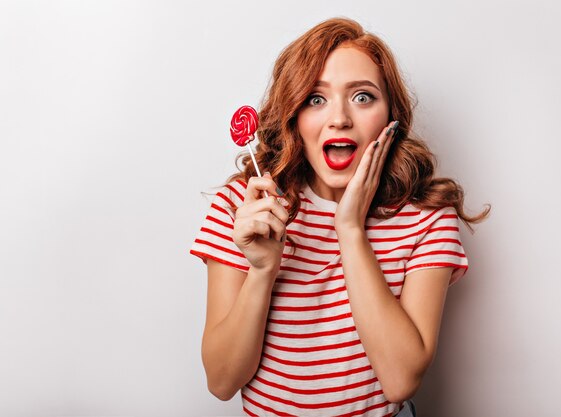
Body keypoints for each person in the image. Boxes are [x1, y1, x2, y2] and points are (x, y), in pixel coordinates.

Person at [190, 17, 490, 417]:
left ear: (391, 118)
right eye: (316, 98)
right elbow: (222, 381)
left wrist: (350, 229)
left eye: (363, 97)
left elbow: (400, 379)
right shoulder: (243, 208)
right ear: (293, 115)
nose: (340, 118)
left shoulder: (428, 219)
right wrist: (262, 270)